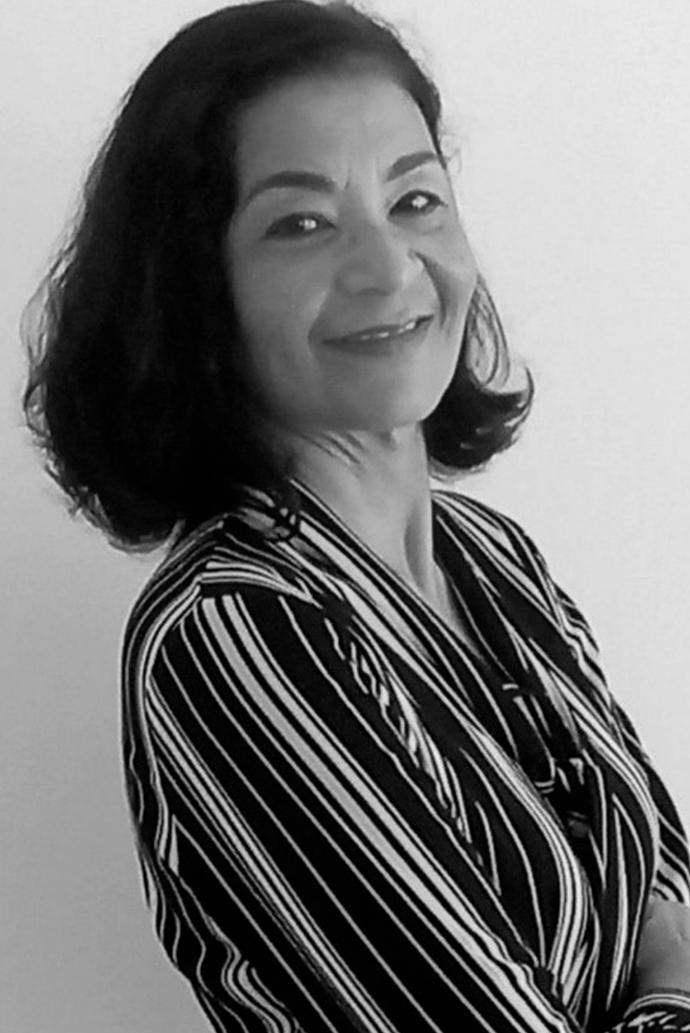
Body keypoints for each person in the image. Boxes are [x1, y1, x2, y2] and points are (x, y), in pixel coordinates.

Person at [21, 1, 690, 1030]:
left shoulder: (495, 559)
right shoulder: (235, 632)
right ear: (196, 292)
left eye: (416, 200)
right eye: (302, 224)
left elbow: (669, 885)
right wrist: (673, 980)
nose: (388, 267)